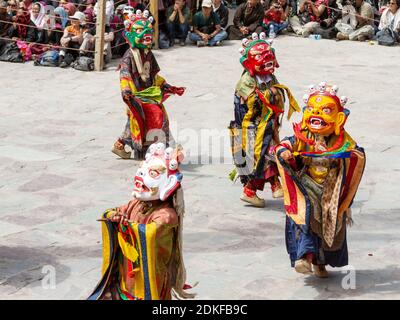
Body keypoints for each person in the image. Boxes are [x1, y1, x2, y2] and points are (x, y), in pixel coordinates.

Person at [275, 82, 366, 278]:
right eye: (312, 110)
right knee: (306, 216)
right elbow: (284, 145)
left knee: (328, 225)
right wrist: (284, 152)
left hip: (331, 190)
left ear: (339, 118)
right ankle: (304, 258)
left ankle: (320, 262)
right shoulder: (303, 135)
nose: (317, 114)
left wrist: (349, 156)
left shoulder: (342, 139)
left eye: (325, 110)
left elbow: (356, 154)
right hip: (306, 184)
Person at [88, 143, 195, 300]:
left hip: (151, 278)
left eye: (151, 174)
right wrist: (113, 216)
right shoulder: (136, 204)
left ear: (169, 184)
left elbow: (150, 233)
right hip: (127, 275)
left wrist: (125, 225)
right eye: (142, 171)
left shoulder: (167, 216)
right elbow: (113, 212)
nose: (140, 177)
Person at [228, 33, 300, 208]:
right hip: (253, 129)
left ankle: (251, 191)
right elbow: (246, 110)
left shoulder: (269, 77)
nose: (266, 59)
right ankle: (275, 185)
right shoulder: (245, 82)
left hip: (269, 126)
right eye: (260, 56)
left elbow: (275, 95)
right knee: (267, 155)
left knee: (265, 158)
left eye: (268, 55)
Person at [112, 10, 186, 160]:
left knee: (138, 121)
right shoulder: (129, 56)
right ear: (131, 34)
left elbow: (153, 75)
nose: (146, 33)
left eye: (148, 30)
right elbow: (125, 75)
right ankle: (170, 148)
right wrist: (126, 90)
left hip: (148, 93)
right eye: (140, 30)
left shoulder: (148, 53)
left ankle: (120, 144)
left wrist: (165, 85)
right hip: (136, 95)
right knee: (158, 116)